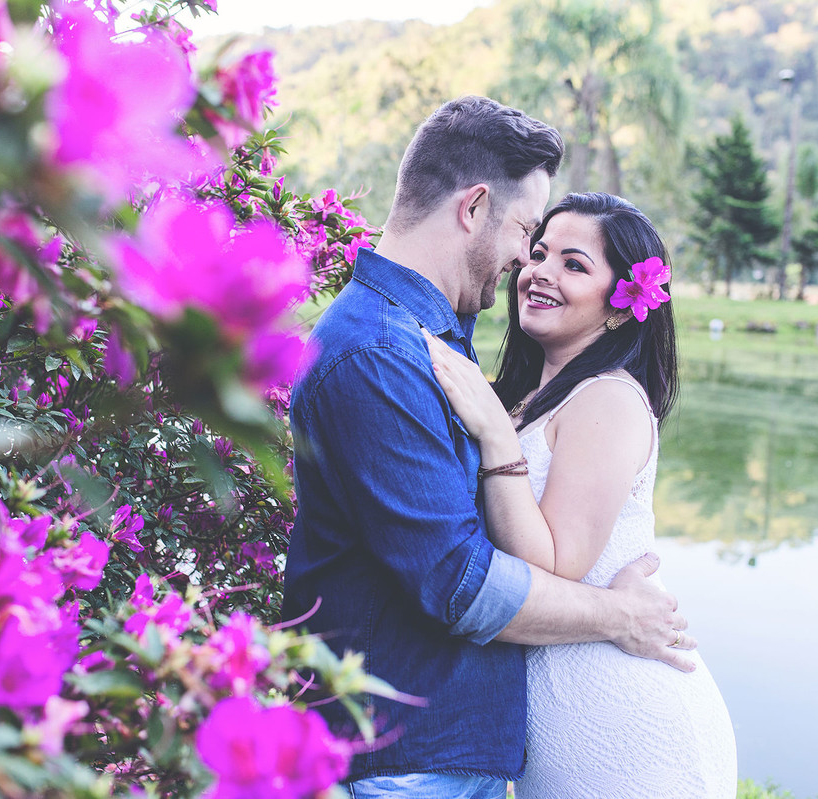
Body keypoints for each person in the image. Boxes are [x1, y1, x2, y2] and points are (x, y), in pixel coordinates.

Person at [281, 96, 697, 798]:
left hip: (444, 750)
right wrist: (618, 614)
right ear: (474, 208)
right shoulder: (381, 355)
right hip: (405, 759)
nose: (524, 262)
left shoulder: (435, 336)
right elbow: (459, 582)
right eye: (527, 235)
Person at [426, 192, 738, 797]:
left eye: (574, 264)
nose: (540, 273)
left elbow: (552, 565)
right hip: (563, 710)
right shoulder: (534, 396)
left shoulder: (609, 400)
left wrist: (493, 433)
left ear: (621, 307)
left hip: (628, 722)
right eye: (538, 252)